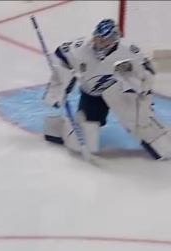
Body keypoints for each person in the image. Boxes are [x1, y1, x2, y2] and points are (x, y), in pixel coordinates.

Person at [43, 19, 169, 160]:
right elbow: (61, 56)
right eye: (97, 39)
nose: (99, 43)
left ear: (114, 39)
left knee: (142, 123)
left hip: (119, 93)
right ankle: (56, 127)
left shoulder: (129, 51)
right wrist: (57, 89)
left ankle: (164, 145)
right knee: (85, 139)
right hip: (92, 95)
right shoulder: (81, 48)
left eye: (104, 40)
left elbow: (148, 74)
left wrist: (142, 90)